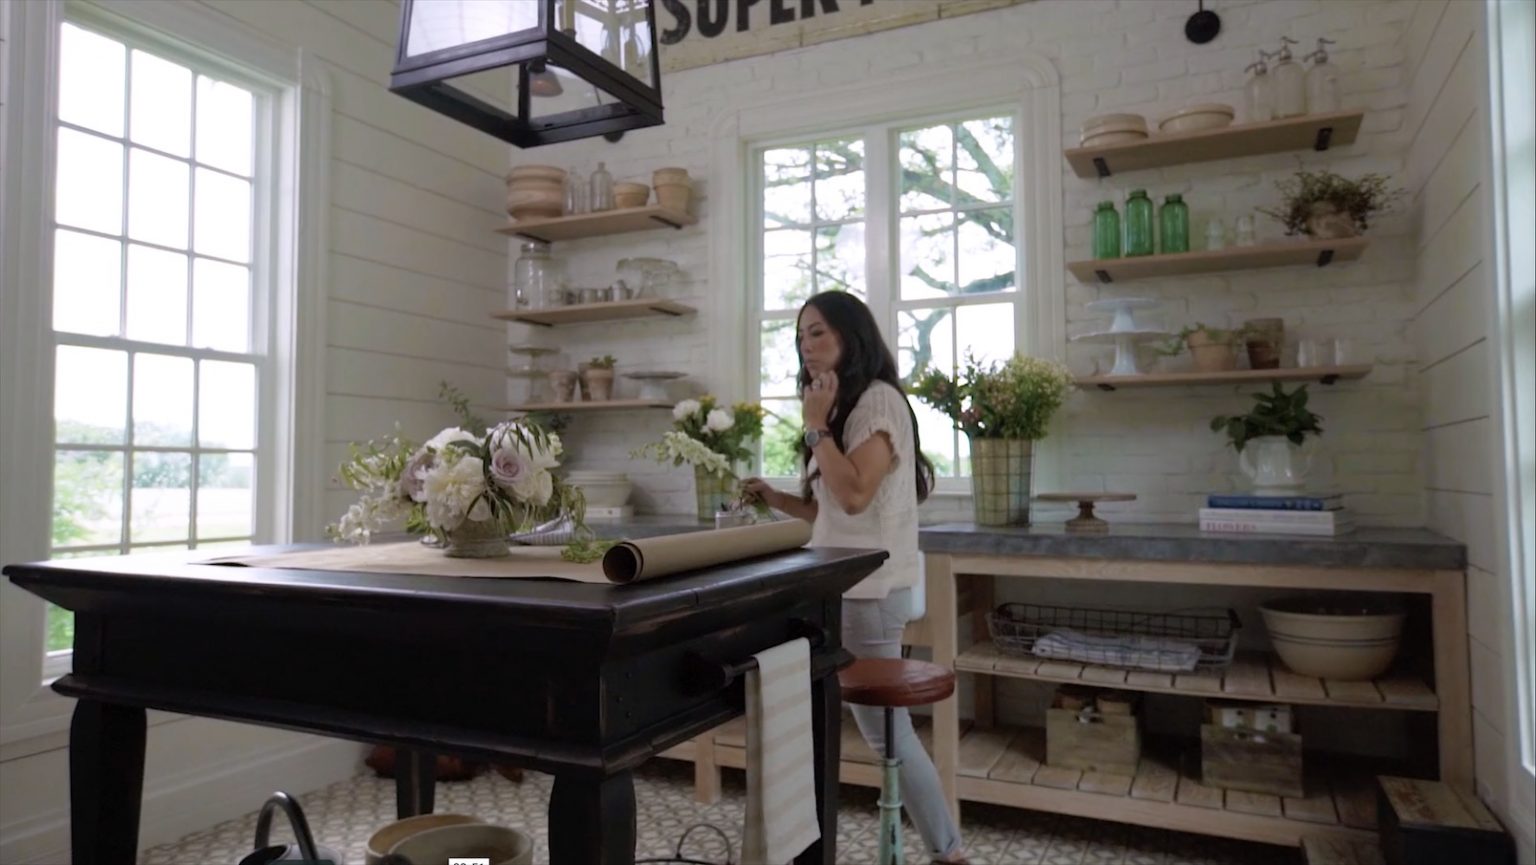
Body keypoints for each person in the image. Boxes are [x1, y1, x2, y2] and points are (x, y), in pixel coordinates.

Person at [743, 291, 966, 865]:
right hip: (845, 587)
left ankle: (949, 851)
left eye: (817, 331)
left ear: (852, 334)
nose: (806, 345)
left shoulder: (877, 401)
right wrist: (777, 499)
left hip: (871, 590)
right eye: (800, 336)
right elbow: (830, 513)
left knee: (886, 732)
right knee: (870, 727)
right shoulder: (845, 406)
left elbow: (856, 495)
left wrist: (816, 427)